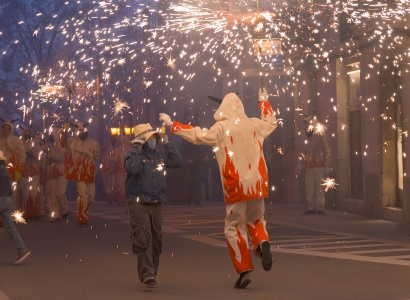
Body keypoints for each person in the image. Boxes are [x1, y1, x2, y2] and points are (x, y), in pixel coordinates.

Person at [159, 88, 277, 289]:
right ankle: (262, 243)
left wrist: (174, 126)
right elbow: (271, 122)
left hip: (235, 184)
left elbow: (198, 135)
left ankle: (244, 269)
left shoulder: (221, 128)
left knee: (234, 226)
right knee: (257, 219)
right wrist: (263, 101)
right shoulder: (254, 124)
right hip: (257, 183)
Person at [124, 123, 182, 288]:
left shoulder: (160, 155)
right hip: (137, 202)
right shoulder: (131, 155)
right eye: (150, 138)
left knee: (156, 238)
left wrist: (167, 142)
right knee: (143, 237)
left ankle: (152, 271)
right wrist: (136, 146)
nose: (153, 140)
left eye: (154, 137)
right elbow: (133, 169)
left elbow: (177, 162)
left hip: (156, 201)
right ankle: (147, 273)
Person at [65, 122, 100, 226]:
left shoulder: (93, 144)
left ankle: (80, 203)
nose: (82, 133)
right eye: (79, 131)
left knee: (91, 198)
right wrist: (64, 130)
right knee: (84, 195)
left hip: (89, 173)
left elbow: (96, 157)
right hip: (79, 174)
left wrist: (89, 160)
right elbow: (62, 143)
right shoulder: (73, 143)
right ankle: (82, 218)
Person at [0, 149, 31, 264]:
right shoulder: (4, 168)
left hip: (0, 199)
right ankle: (22, 250)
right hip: (7, 200)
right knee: (10, 228)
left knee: (10, 228)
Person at [297, 114, 331, 215]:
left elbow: (327, 149)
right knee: (309, 187)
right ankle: (311, 207)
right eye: (305, 124)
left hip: (319, 164)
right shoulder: (304, 136)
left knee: (320, 187)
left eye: (308, 124)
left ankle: (320, 207)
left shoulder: (321, 134)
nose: (306, 126)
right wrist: (299, 163)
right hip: (308, 166)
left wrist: (328, 164)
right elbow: (301, 150)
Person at [0, 119, 26, 227]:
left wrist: (19, 170)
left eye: (7, 128)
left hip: (12, 172)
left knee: (12, 195)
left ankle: (12, 215)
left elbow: (22, 156)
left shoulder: (16, 140)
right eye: (4, 128)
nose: (5, 130)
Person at [16, 127, 41, 220]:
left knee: (34, 193)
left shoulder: (34, 143)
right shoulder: (19, 143)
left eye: (28, 133)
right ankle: (25, 213)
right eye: (25, 133)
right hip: (23, 171)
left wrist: (33, 154)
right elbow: (17, 155)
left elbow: (39, 155)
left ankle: (35, 212)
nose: (27, 135)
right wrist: (24, 155)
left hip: (34, 170)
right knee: (25, 194)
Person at [45, 126, 70, 221]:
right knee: (53, 194)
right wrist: (46, 159)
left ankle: (65, 209)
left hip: (63, 172)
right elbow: (48, 160)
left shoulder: (64, 147)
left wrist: (51, 157)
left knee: (60, 193)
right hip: (53, 172)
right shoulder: (51, 147)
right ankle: (56, 213)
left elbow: (60, 158)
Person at [179, 139, 210, 206]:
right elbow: (182, 151)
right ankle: (189, 199)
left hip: (199, 163)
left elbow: (207, 148)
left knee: (197, 182)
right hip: (189, 165)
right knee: (189, 182)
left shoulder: (200, 139)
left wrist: (206, 156)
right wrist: (187, 159)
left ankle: (197, 200)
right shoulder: (186, 140)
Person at [112, 133, 131, 206]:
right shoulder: (131, 149)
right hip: (129, 171)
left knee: (122, 186)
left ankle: (122, 200)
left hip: (121, 171)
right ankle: (128, 200)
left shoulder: (118, 150)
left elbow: (115, 161)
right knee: (129, 186)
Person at [100, 134, 118, 205]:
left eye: (115, 140)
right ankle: (109, 198)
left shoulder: (116, 148)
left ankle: (114, 197)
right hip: (106, 167)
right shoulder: (106, 146)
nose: (114, 141)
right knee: (107, 184)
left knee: (114, 183)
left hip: (113, 168)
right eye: (113, 139)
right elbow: (100, 152)